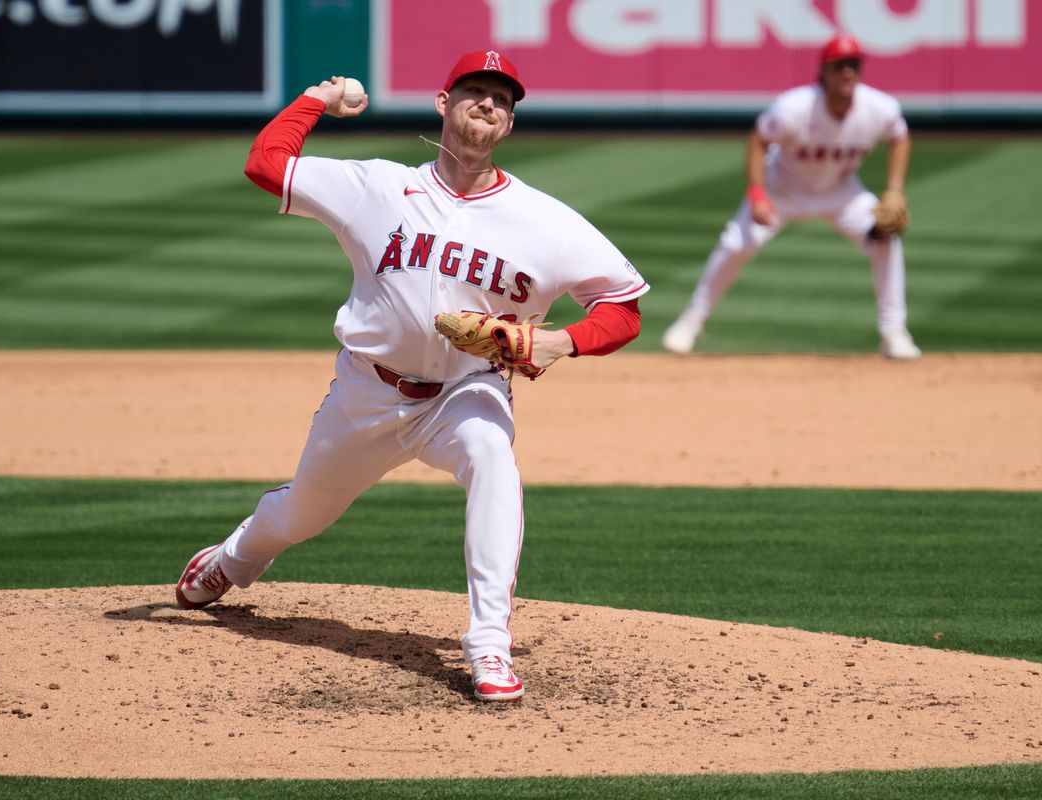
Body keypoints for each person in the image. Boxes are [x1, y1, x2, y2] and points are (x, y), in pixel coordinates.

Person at [173, 50, 650, 702]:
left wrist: (561, 341)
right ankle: (234, 558)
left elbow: (624, 308)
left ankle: (488, 646)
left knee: (492, 458)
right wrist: (315, 100)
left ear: (508, 124)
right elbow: (266, 164)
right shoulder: (376, 187)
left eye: (501, 99)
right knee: (302, 514)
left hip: (467, 390)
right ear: (442, 103)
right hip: (367, 394)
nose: (487, 103)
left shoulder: (549, 223)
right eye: (474, 91)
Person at [662, 33, 921, 360]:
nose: (847, 72)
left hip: (841, 191)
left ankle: (893, 332)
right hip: (782, 188)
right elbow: (758, 141)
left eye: (853, 64)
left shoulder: (879, 107)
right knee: (735, 245)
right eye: (839, 65)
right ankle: (692, 320)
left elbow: (900, 137)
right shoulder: (793, 108)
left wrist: (895, 189)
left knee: (885, 238)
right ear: (823, 71)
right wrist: (757, 194)